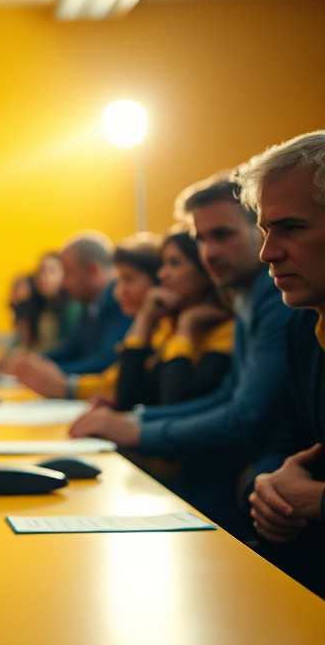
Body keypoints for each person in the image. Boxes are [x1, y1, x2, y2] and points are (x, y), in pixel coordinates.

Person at [70, 176, 292, 536]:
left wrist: (137, 431)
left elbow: (244, 416)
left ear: (260, 231)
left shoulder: (273, 298)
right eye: (202, 239)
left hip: (240, 479)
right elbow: (229, 397)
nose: (210, 253)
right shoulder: (248, 296)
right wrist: (135, 421)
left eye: (223, 234)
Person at [234, 131, 325, 597]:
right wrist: (269, 484)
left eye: (290, 228)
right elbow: (288, 434)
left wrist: (317, 500)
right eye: (266, 230)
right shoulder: (302, 324)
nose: (267, 253)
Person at [0, 233, 133, 396]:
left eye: (67, 273)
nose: (63, 283)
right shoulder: (89, 304)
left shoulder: (121, 301)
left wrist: (49, 374)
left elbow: (106, 362)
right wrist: (32, 363)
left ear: (93, 270)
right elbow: (69, 349)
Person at [114, 231, 234, 410]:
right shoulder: (168, 322)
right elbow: (127, 400)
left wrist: (186, 328)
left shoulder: (226, 331)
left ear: (205, 270)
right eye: (162, 264)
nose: (161, 274)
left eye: (174, 263)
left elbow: (175, 401)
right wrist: (145, 319)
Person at [8, 252, 81, 354]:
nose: (45, 277)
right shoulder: (39, 308)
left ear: (65, 275)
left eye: (52, 271)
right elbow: (24, 345)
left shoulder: (73, 309)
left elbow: (67, 351)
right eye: (41, 271)